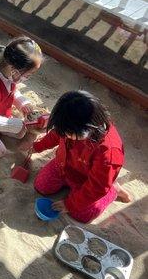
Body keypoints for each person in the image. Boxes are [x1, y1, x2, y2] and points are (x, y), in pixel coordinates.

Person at [28, 90, 132, 223]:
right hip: (63, 166)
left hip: (87, 180)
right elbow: (56, 134)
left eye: (69, 134)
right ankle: (69, 188)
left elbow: (96, 187)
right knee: (41, 186)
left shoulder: (108, 152)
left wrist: (69, 204)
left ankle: (113, 191)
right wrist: (38, 146)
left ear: (89, 127)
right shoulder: (70, 125)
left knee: (81, 214)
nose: (65, 136)